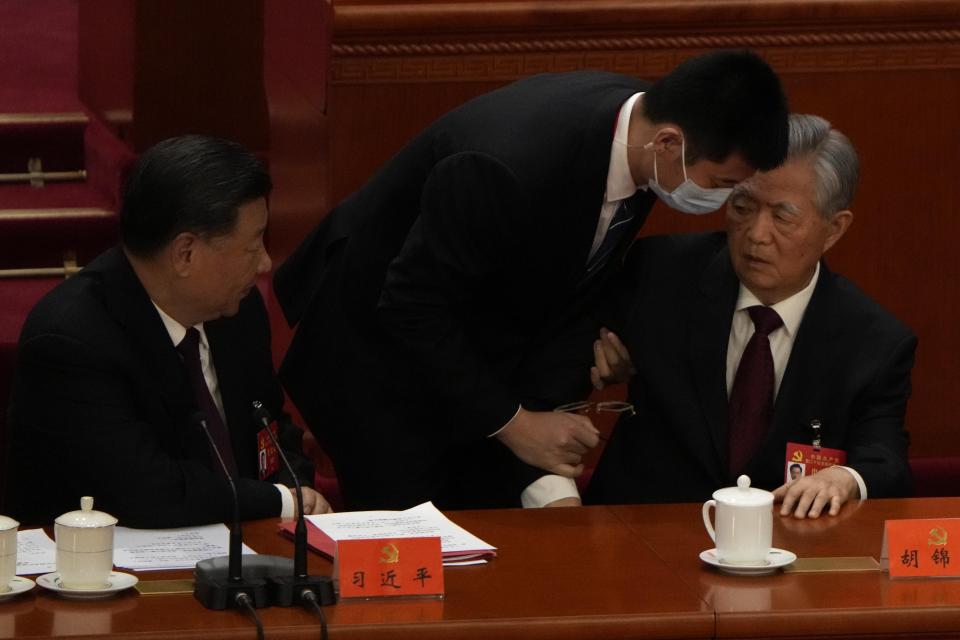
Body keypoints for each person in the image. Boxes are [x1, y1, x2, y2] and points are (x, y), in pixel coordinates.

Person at [276, 50, 789, 511]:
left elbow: (569, 282)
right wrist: (514, 423)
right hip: (375, 358)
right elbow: (412, 307)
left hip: (472, 345)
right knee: (419, 561)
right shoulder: (506, 166)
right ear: (669, 142)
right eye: (721, 185)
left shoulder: (645, 139)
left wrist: (533, 411)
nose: (718, 202)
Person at [585, 114, 915, 518]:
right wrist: (597, 357)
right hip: (640, 534)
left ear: (833, 230)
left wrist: (844, 477)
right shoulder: (659, 274)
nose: (757, 234)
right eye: (742, 206)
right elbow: (562, 350)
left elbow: (886, 460)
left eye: (783, 217)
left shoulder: (873, 341)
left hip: (783, 550)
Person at [3, 135, 332, 527]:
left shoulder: (237, 313)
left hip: (243, 550)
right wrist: (278, 500)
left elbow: (271, 426)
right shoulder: (72, 339)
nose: (264, 263)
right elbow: (144, 490)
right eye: (252, 245)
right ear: (185, 254)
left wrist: (293, 486)